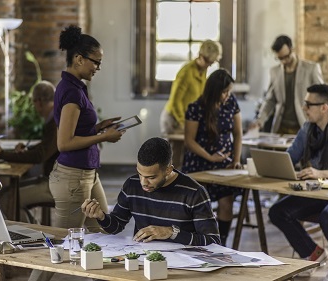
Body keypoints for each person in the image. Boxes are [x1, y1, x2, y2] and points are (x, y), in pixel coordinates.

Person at [268, 84, 328, 281]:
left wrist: (320, 173)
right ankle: (313, 253)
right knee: (278, 211)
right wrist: (270, 166)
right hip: (321, 191)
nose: (304, 108)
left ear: (324, 107)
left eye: (308, 104)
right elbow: (291, 157)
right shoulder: (308, 128)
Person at [49, 25, 124, 232]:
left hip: (87, 174)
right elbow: (64, 143)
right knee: (65, 244)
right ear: (79, 59)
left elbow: (76, 130)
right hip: (73, 178)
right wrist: (103, 137)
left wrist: (99, 127)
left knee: (101, 233)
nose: (98, 68)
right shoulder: (71, 92)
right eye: (96, 62)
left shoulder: (76, 87)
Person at [81, 137, 220, 246]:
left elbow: (213, 241)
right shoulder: (132, 185)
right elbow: (116, 226)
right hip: (144, 259)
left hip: (185, 263)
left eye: (151, 177)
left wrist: (171, 232)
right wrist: (101, 216)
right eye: (140, 174)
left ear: (168, 170)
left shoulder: (194, 192)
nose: (143, 182)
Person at [181, 69, 243, 246]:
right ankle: (198, 240)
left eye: (229, 91)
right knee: (199, 205)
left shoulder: (231, 103)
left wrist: (236, 160)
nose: (227, 95)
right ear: (214, 90)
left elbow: (238, 134)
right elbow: (189, 141)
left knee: (226, 203)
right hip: (199, 163)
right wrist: (209, 157)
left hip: (224, 164)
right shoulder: (195, 107)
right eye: (224, 92)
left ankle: (220, 243)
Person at [0, 81, 58, 216]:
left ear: (38, 102)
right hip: (52, 179)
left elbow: (40, 156)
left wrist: (2, 154)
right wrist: (28, 148)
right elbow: (48, 145)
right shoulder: (54, 118)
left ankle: (33, 235)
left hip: (54, 185)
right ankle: (33, 230)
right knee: (6, 193)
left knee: (8, 199)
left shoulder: (55, 121)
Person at [160, 40, 222, 169]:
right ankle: (168, 187)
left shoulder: (202, 70)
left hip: (187, 118)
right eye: (208, 62)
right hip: (174, 119)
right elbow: (176, 102)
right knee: (174, 159)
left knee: (185, 157)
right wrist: (185, 123)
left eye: (212, 63)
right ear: (200, 56)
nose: (209, 65)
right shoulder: (186, 73)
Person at [252, 35, 324, 134]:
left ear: (292, 49)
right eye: (280, 58)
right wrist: (259, 121)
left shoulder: (311, 69)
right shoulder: (275, 72)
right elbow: (270, 100)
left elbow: (322, 98)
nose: (284, 61)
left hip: (304, 125)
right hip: (281, 127)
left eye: (286, 57)